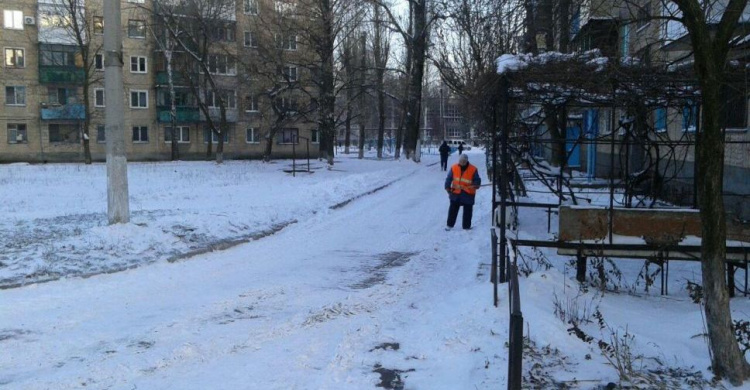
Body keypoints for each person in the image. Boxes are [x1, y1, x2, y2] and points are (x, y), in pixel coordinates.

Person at [445, 154, 481, 230]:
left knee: (468, 211)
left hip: (468, 193)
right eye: (461, 161)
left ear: (467, 161)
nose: (462, 162)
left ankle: (466, 226)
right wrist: (447, 187)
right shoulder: (454, 167)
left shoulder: (473, 169)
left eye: (464, 161)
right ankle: (449, 225)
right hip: (456, 193)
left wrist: (476, 184)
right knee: (453, 210)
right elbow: (449, 178)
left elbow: (477, 180)